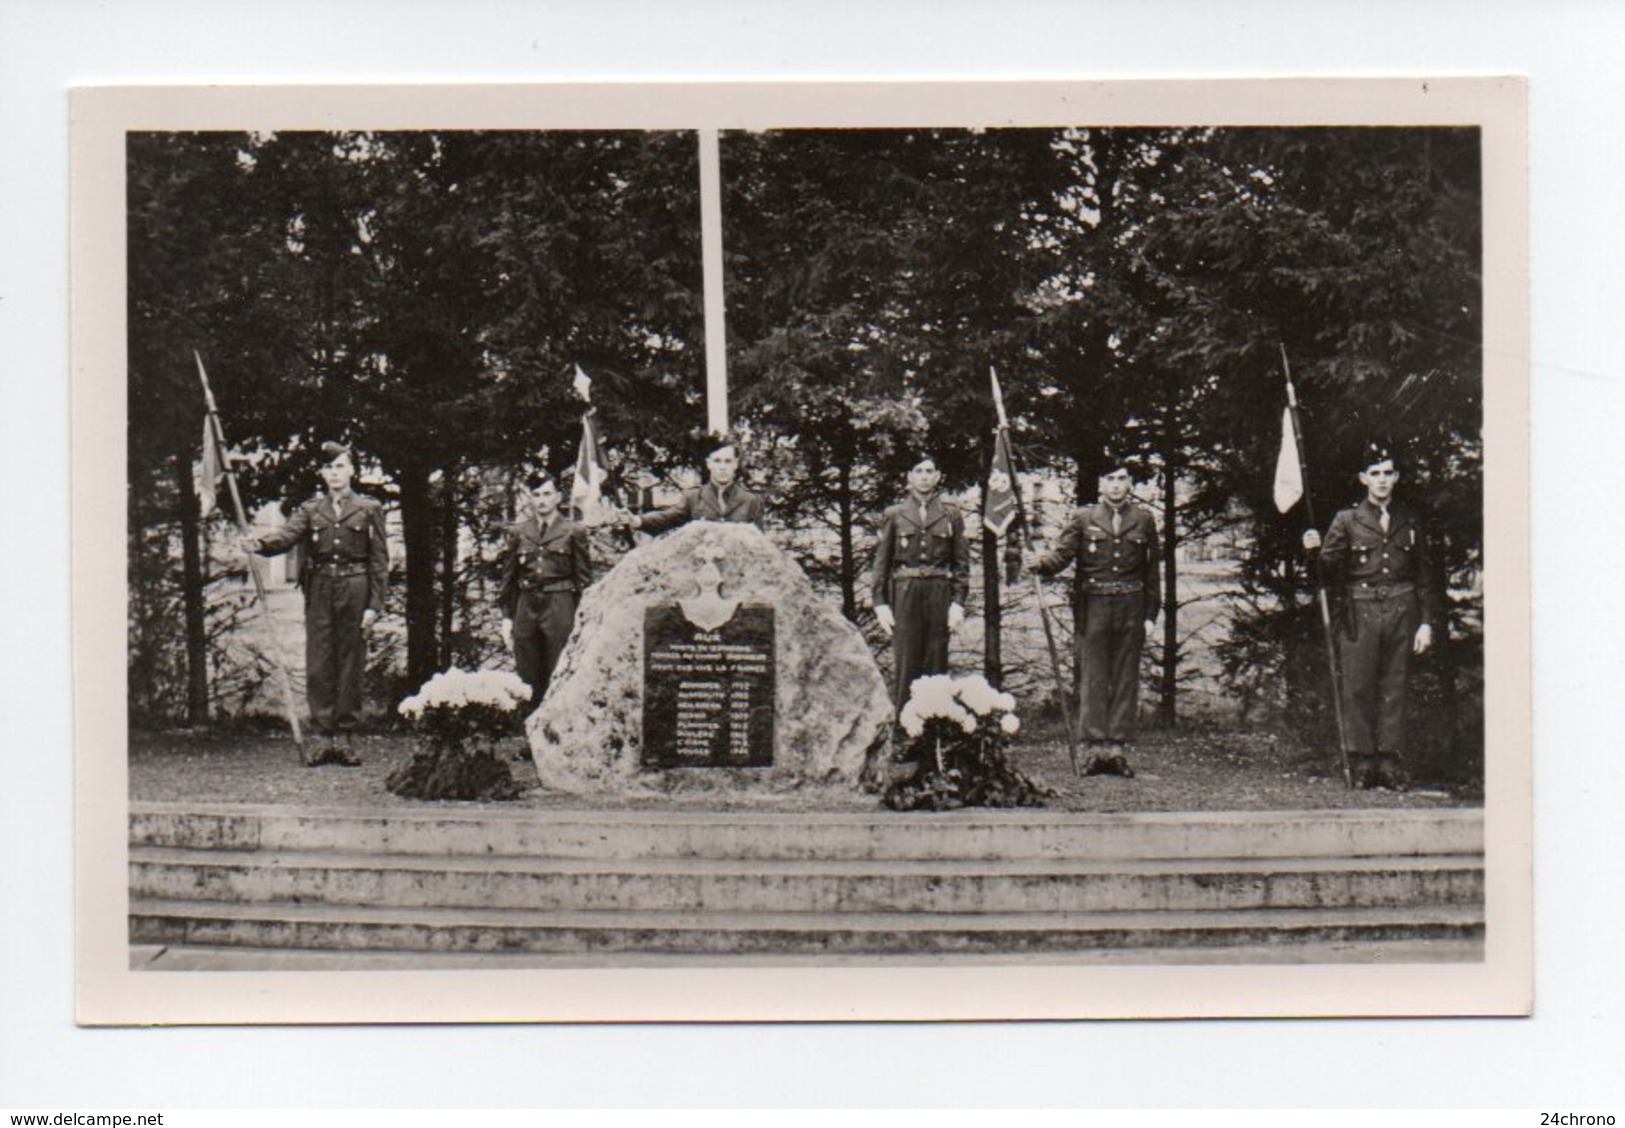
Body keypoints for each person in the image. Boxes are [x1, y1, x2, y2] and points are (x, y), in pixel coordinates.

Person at [1302, 443, 1442, 790]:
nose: (1381, 480)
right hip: (1360, 611)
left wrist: (1426, 622)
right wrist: (1312, 550)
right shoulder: (1346, 520)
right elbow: (1325, 570)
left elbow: (1424, 575)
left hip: (1402, 609)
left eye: (1388, 473)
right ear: (1363, 478)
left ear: (1396, 477)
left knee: (1395, 687)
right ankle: (1362, 760)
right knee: (1359, 685)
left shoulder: (1409, 520)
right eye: (1375, 474)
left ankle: (1389, 761)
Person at [246, 441, 388, 767]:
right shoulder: (311, 510)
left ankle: (347, 738)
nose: (334, 474)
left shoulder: (368, 509)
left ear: (351, 470)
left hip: (356, 587)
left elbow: (380, 561)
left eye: (340, 466)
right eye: (329, 468)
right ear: (322, 474)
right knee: (319, 662)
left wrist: (374, 606)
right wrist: (260, 543)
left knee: (350, 663)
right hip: (320, 589)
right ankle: (324, 738)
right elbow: (287, 535)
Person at [1029, 457, 1161, 774]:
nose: (1116, 485)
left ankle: (1116, 750)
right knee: (1094, 678)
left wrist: (1151, 614)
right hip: (1094, 606)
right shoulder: (1084, 517)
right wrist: (1040, 563)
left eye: (1121, 479)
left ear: (1129, 485)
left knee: (1124, 678)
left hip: (1131, 604)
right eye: (1110, 479)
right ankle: (1093, 750)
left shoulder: (1144, 520)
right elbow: (1061, 555)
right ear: (1101, 485)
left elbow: (1152, 571)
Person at [871, 456, 969, 718]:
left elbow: (961, 563)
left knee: (937, 661)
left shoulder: (951, 514)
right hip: (906, 592)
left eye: (929, 471)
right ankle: (905, 732)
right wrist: (880, 603)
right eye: (918, 471)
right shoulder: (895, 514)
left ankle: (934, 734)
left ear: (937, 476)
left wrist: (958, 603)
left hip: (939, 592)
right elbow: (881, 562)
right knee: (907, 661)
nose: (924, 476)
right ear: (910, 477)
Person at [499, 472, 594, 722]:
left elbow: (584, 579)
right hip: (526, 603)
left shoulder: (573, 531)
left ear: (557, 497)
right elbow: (509, 577)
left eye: (547, 494)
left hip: (559, 602)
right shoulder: (519, 532)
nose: (541, 500)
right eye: (536, 494)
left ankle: (559, 732)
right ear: (530, 499)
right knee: (527, 670)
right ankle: (532, 733)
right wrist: (507, 616)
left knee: (559, 667)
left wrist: (585, 616)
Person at [623, 440, 765, 533]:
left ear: (735, 464)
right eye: (717, 461)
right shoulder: (693, 497)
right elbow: (667, 518)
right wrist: (637, 520)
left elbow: (759, 544)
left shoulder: (750, 501)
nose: (722, 467)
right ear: (709, 464)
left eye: (727, 461)